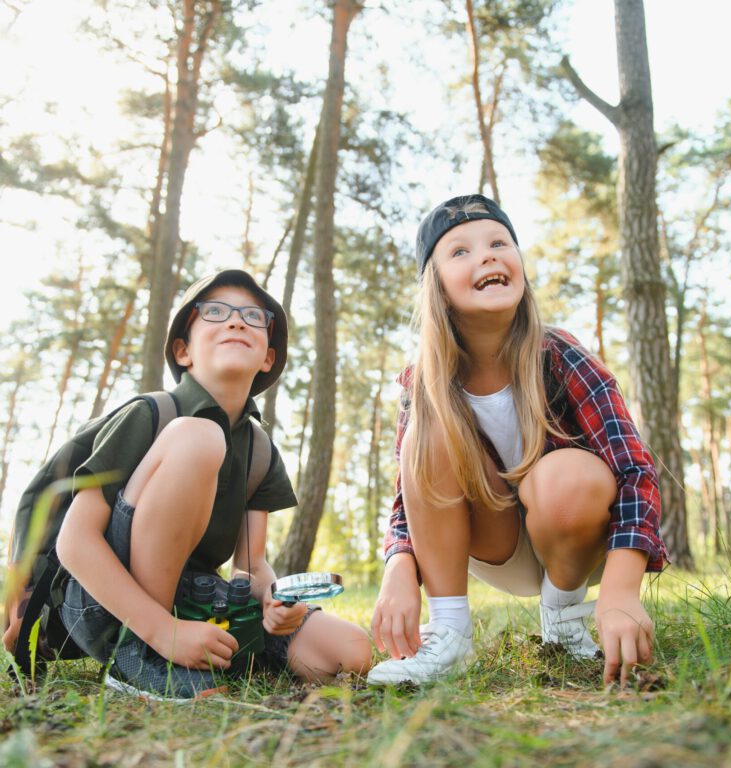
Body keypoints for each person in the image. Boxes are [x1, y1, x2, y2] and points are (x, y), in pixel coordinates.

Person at [366, 195, 667, 689]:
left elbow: (634, 471)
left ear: (518, 266)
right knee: (431, 422)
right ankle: (450, 633)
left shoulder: (561, 354)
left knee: (568, 474)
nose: (485, 255)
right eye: (459, 252)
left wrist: (620, 589)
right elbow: (407, 496)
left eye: (498, 243)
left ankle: (564, 619)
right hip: (490, 543)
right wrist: (398, 565)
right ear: (435, 287)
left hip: (571, 536)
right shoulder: (423, 383)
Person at [55, 269, 371, 701]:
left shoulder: (259, 449)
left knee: (350, 651)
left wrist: (276, 603)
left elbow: (252, 564)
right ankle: (137, 660)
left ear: (267, 358)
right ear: (183, 351)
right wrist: (161, 630)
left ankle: (216, 653)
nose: (237, 322)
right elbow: (74, 541)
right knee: (199, 436)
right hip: (107, 604)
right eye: (216, 312)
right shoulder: (151, 415)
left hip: (195, 599)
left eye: (253, 317)